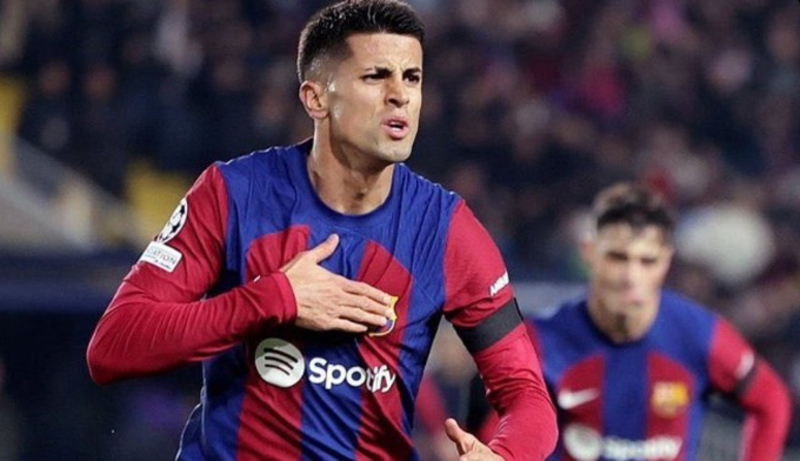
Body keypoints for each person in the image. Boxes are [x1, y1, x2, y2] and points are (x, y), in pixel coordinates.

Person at [86, 1, 557, 459]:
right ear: (316, 98)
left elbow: (527, 394)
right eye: (376, 76)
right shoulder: (233, 194)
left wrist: (505, 455)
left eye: (412, 77)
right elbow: (113, 347)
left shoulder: (448, 229)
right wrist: (275, 299)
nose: (400, 95)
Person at [479, 182, 791, 460]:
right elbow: (496, 438)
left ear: (666, 262)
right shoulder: (540, 340)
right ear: (589, 253)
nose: (631, 276)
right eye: (618, 257)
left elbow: (771, 400)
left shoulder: (700, 335)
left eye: (647, 260)